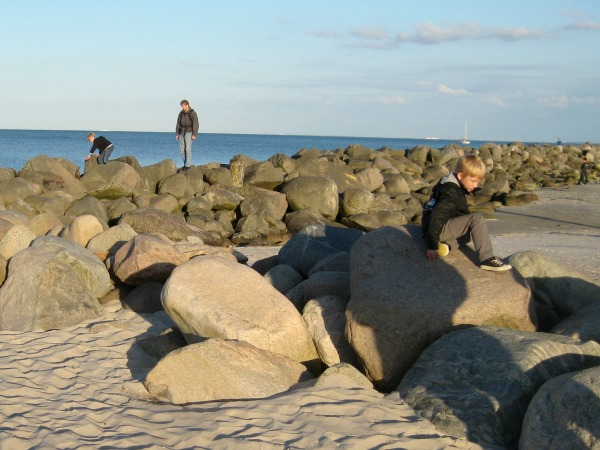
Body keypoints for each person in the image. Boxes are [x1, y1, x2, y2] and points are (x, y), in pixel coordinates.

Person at [422, 154, 511, 272]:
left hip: (433, 226)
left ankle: (446, 246)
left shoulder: (452, 184)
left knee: (471, 234)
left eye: (478, 182)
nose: (475, 185)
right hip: (437, 228)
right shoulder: (451, 191)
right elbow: (437, 214)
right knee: (476, 219)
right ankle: (487, 259)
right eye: (473, 181)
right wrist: (432, 244)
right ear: (460, 176)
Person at [175, 99, 199, 171]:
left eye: (183, 106)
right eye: (181, 106)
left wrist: (194, 134)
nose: (182, 108)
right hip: (181, 132)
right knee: (182, 150)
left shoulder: (192, 113)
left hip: (189, 132)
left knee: (187, 149)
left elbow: (196, 124)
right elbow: (178, 123)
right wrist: (177, 133)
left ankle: (187, 165)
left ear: (187, 105)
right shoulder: (181, 113)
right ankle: (185, 164)